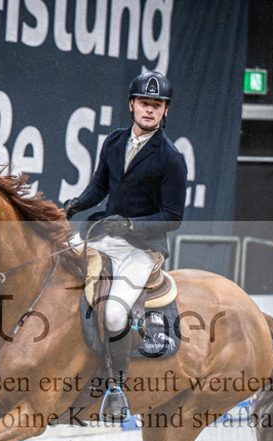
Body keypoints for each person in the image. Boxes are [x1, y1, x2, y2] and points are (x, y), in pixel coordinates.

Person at [62, 71, 187, 422]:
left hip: (142, 248)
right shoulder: (115, 141)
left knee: (115, 314)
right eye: (145, 103)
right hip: (104, 234)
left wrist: (131, 225)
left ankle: (116, 389)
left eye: (157, 105)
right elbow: (99, 187)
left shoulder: (171, 158)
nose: (150, 110)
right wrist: (75, 205)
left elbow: (173, 216)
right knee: (53, 259)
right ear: (132, 104)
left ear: (165, 112)